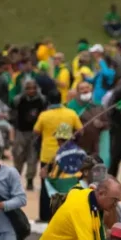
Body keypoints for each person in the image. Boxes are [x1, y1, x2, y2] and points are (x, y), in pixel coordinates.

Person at [36, 178, 121, 240]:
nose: (116, 204)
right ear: (101, 193)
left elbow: (74, 190)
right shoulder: (82, 211)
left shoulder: (88, 195)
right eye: (114, 200)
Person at [32, 90, 82, 221]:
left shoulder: (44, 115)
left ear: (48, 101)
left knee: (46, 185)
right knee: (66, 183)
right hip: (68, 155)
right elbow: (81, 130)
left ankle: (45, 215)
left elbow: (36, 131)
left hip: (48, 155)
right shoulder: (71, 113)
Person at [12, 79, 47, 191]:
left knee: (33, 157)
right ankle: (15, 181)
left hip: (35, 133)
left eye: (33, 88)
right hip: (21, 132)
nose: (31, 90)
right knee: (18, 156)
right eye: (28, 88)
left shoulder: (42, 100)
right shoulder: (19, 99)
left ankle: (30, 181)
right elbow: (12, 112)